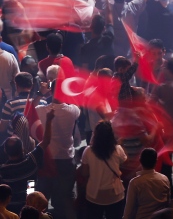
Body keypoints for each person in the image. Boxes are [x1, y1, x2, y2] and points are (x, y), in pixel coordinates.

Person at [36, 84, 81, 219]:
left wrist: (41, 93)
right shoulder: (73, 110)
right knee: (65, 196)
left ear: (51, 91)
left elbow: (30, 107)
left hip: (47, 158)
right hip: (66, 158)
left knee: (43, 193)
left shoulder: (40, 110)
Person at [0, 103, 53, 213]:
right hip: (30, 203)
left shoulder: (3, 171)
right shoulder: (31, 161)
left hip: (10, 208)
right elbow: (46, 141)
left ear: (5, 151)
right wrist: (49, 120)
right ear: (22, 149)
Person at [80, 121, 127, 219]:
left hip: (94, 194)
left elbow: (84, 173)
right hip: (115, 193)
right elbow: (123, 162)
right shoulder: (118, 149)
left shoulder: (88, 151)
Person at [123, 148, 171, 219]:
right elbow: (167, 202)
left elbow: (129, 209)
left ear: (140, 161)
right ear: (156, 161)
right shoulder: (164, 179)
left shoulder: (135, 183)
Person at [0, 72, 33, 137]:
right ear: (32, 85)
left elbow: (2, 128)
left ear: (16, 85)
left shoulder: (11, 104)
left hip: (16, 142)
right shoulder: (42, 102)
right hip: (35, 140)